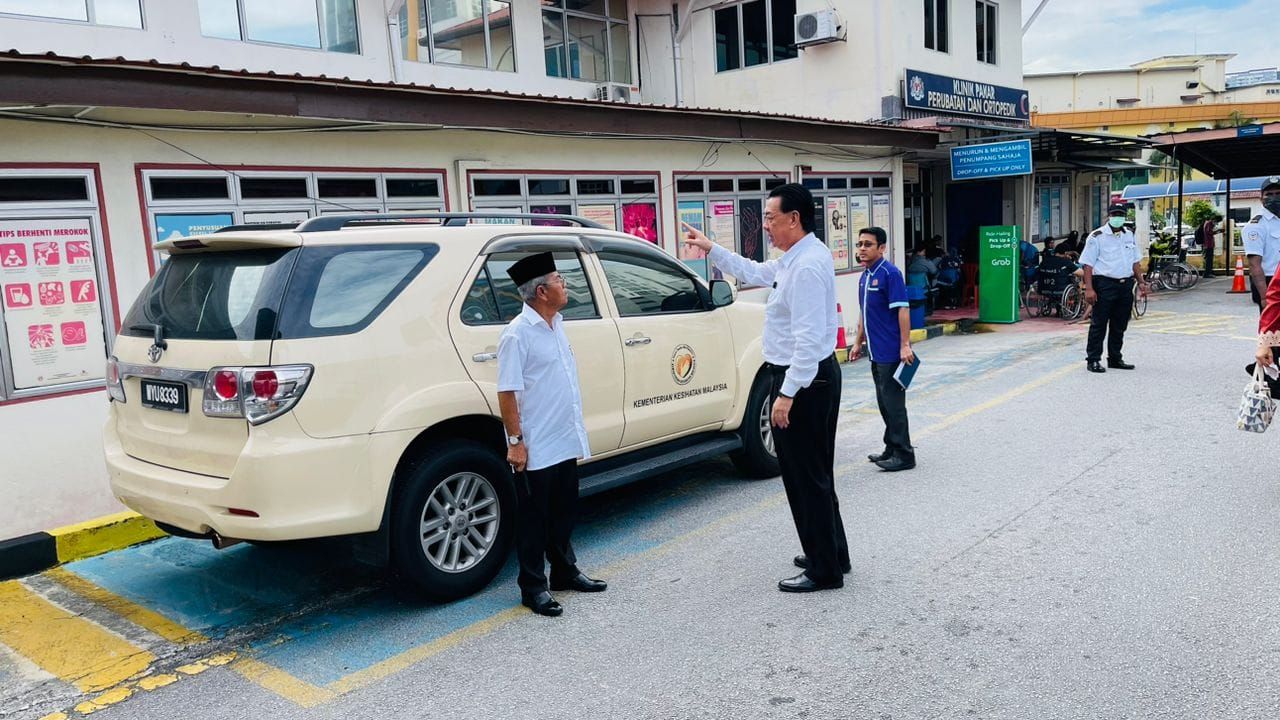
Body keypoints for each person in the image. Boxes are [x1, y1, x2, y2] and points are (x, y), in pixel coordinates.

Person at [681, 183, 849, 593]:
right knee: (816, 473)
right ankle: (830, 553)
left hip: (803, 379)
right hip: (812, 376)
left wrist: (786, 394)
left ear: (794, 218)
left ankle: (824, 570)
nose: (767, 226)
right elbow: (756, 271)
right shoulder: (799, 257)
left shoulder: (806, 266)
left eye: (771, 218)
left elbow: (808, 341)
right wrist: (711, 249)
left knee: (804, 476)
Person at [497, 252, 607, 617]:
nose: (566, 284)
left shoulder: (557, 324)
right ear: (542, 291)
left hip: (563, 436)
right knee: (533, 519)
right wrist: (516, 443)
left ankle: (564, 571)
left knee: (564, 511)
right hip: (536, 444)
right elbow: (507, 391)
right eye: (560, 279)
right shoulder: (517, 334)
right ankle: (533, 587)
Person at [850, 227, 916, 472]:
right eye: (860, 244)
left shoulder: (891, 274)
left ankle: (904, 454)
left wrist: (905, 345)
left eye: (868, 244)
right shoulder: (865, 276)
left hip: (891, 352)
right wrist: (858, 342)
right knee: (884, 402)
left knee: (894, 404)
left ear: (882, 248)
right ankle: (891, 447)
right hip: (875, 353)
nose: (862, 249)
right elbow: (863, 314)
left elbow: (903, 309)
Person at [1081, 204, 1149, 373]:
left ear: (1125, 216)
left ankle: (1115, 358)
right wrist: (1089, 289)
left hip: (1125, 285)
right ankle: (1093, 360)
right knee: (1099, 324)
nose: (1118, 216)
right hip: (1104, 284)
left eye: (1121, 214)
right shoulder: (1097, 237)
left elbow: (1135, 261)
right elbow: (1088, 265)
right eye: (1115, 214)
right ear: (1109, 215)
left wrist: (1141, 282)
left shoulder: (1128, 235)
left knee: (1120, 324)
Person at [1245, 177, 1280, 312]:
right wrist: (1265, 297)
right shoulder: (1255, 226)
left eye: (1278, 194)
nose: (1274, 198)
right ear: (1261, 199)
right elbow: (1255, 265)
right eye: (1269, 195)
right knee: (1273, 331)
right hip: (1270, 282)